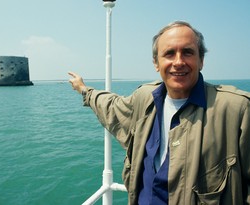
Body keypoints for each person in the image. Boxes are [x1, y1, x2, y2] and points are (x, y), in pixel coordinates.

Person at [68, 21, 250, 205]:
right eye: (169, 53)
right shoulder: (145, 98)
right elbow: (112, 106)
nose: (178, 62)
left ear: (201, 60)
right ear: (156, 63)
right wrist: (84, 90)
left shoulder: (237, 110)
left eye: (187, 52)